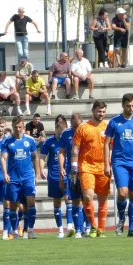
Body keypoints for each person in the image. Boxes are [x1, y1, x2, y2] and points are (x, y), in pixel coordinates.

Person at [104, 93, 133, 238]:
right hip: (119, 162)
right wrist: (107, 164)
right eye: (128, 106)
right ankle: (121, 217)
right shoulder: (114, 122)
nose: (131, 108)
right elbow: (106, 144)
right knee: (123, 193)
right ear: (123, 105)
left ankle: (131, 229)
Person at [71, 100, 110, 238]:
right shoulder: (83, 127)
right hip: (86, 166)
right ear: (93, 111)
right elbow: (75, 147)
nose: (101, 114)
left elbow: (114, 146)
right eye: (99, 111)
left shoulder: (108, 127)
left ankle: (101, 229)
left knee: (103, 200)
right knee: (87, 196)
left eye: (104, 112)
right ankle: (92, 226)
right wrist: (74, 165)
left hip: (103, 167)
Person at [0, 116, 41, 240]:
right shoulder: (7, 142)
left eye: (20, 127)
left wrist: (37, 174)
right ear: (12, 127)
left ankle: (30, 230)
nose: (18, 129)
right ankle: (15, 231)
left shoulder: (29, 140)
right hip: (13, 178)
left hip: (28, 176)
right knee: (14, 204)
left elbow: (35, 157)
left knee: (30, 202)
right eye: (16, 127)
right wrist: (5, 173)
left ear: (23, 127)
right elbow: (3, 158)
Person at [59, 113, 90, 238]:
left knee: (87, 198)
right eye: (73, 126)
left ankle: (88, 227)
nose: (76, 129)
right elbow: (61, 152)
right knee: (76, 200)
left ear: (82, 123)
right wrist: (61, 168)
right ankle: (78, 230)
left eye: (78, 126)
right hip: (72, 172)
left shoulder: (87, 131)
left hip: (87, 169)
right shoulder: (66, 134)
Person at [40, 116, 69, 238]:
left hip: (67, 175)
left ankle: (71, 227)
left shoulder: (68, 140)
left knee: (69, 201)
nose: (61, 133)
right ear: (56, 128)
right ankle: (60, 229)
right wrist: (41, 169)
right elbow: (42, 157)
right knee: (57, 202)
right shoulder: (49, 142)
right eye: (59, 130)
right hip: (54, 177)